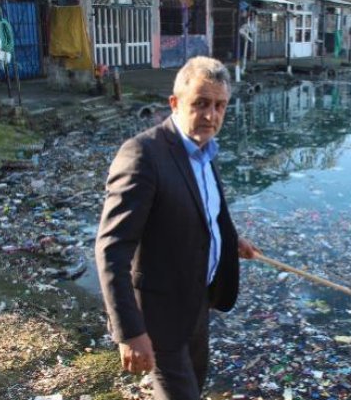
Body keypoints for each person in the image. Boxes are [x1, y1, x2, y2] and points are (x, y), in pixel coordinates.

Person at [95, 56, 261, 400]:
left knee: (195, 385)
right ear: (175, 103)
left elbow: (206, 213)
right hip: (159, 315)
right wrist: (130, 332)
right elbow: (112, 249)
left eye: (219, 105)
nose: (211, 115)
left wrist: (230, 240)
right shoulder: (143, 154)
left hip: (198, 304)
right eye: (200, 103)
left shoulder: (204, 150)